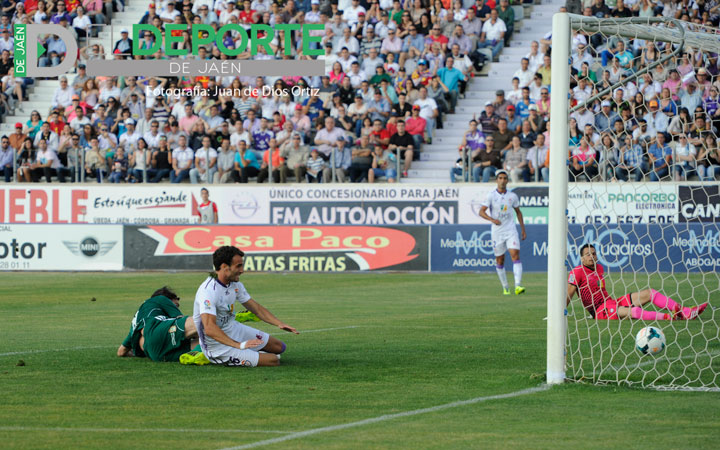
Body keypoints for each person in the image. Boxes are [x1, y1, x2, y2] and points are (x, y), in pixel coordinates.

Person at [188, 246, 298, 367]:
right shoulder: (208, 291)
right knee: (273, 360)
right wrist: (239, 345)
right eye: (238, 266)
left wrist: (279, 323)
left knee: (279, 347)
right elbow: (209, 329)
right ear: (224, 267)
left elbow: (256, 308)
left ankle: (247, 353)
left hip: (234, 329)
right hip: (217, 346)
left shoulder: (235, 284)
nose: (242, 270)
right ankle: (223, 355)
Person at [567, 244, 709, 321]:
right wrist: (560, 312)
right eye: (588, 254)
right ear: (582, 258)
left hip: (610, 302)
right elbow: (569, 294)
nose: (592, 256)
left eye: (594, 253)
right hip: (599, 311)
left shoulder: (599, 268)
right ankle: (669, 317)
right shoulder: (577, 272)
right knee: (633, 311)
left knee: (650, 293)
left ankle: (686, 311)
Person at [117, 287, 199, 362]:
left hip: (154, 354)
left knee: (207, 345)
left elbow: (121, 352)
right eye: (176, 305)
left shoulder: (136, 323)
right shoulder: (160, 298)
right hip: (156, 330)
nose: (176, 308)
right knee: (201, 321)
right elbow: (181, 319)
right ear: (168, 299)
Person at [478, 170, 527, 296]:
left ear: (507, 181)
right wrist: (492, 220)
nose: (503, 180)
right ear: (497, 180)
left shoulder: (512, 196)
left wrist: (522, 229)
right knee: (500, 260)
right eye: (500, 178)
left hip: (511, 230)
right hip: (497, 232)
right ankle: (505, 287)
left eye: (505, 178)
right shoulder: (491, 196)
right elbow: (481, 212)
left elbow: (518, 212)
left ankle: (518, 285)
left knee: (515, 255)